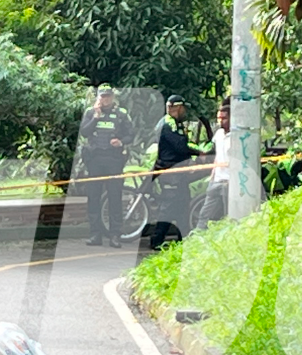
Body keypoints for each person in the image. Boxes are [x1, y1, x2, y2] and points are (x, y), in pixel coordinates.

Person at [149, 95, 210, 251]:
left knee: (183, 204)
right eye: (183, 107)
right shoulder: (168, 124)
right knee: (168, 205)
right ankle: (156, 240)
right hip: (171, 171)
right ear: (177, 107)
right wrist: (196, 153)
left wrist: (197, 152)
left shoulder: (175, 123)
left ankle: (185, 238)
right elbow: (180, 146)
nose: (185, 111)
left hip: (178, 172)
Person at [77, 84, 135, 248]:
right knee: (93, 197)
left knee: (115, 197)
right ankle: (95, 234)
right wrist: (96, 116)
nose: (105, 99)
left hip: (114, 159)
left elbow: (131, 135)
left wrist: (121, 141)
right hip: (95, 159)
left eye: (108, 96)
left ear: (112, 97)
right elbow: (84, 132)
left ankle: (115, 235)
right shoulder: (90, 113)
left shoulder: (121, 114)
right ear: (98, 98)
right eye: (102, 96)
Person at [196, 98, 233, 232]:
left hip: (229, 181)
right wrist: (212, 175)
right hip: (217, 179)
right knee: (205, 213)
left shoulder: (236, 136)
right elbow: (217, 155)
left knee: (228, 213)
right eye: (219, 118)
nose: (220, 121)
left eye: (224, 118)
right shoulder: (218, 135)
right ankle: (197, 235)